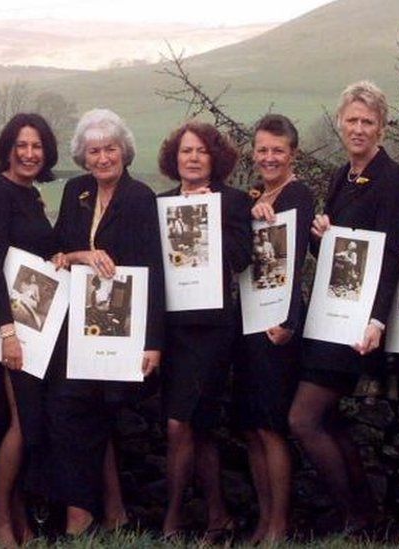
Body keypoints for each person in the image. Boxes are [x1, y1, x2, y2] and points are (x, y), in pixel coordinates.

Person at [290, 80, 399, 533]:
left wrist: (378, 320)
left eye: (368, 121)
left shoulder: (396, 180)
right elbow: (339, 256)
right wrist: (320, 237)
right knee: (330, 420)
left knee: (302, 419)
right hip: (330, 315)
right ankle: (367, 519)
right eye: (352, 120)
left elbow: (390, 254)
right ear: (340, 124)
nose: (358, 128)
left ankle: (355, 516)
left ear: (381, 127)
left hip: (359, 324)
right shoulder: (340, 175)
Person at [48, 108, 163, 536]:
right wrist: (81, 256)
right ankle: (88, 514)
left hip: (124, 329)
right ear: (83, 156)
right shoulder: (75, 191)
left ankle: (103, 514)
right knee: (68, 410)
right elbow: (59, 252)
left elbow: (153, 269)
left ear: (124, 151)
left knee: (99, 414)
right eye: (94, 151)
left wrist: (153, 342)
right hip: (77, 329)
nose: (102, 159)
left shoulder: (140, 197)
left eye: (109, 149)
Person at [156, 120, 252, 541]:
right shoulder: (159, 203)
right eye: (185, 152)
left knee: (180, 424)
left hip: (211, 329)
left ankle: (172, 521)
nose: (192, 158)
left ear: (216, 159)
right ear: (173, 159)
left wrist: (203, 217)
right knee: (200, 426)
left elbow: (242, 258)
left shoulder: (231, 202)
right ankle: (218, 517)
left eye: (201, 152)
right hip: (171, 327)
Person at [0, 113, 61, 547]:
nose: (30, 154)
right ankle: (0, 521)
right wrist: (8, 332)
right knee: (20, 423)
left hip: (37, 328)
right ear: (8, 148)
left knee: (31, 423)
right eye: (22, 146)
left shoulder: (31, 195)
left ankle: (22, 520)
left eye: (38, 147)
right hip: (13, 329)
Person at [234, 114, 315, 543]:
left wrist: (288, 323)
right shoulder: (255, 196)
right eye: (263, 149)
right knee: (250, 426)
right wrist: (252, 213)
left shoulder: (298, 195)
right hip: (246, 320)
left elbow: (297, 261)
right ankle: (264, 518)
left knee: (270, 425)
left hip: (277, 325)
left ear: (292, 154)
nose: (269, 157)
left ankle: (279, 525)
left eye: (277, 150)